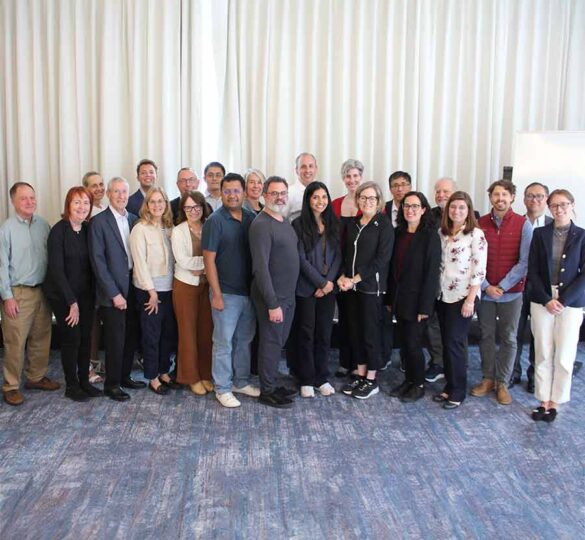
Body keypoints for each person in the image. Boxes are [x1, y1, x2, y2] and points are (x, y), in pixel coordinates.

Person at [471, 180, 533, 405]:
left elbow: (524, 262)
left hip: (512, 293)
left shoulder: (523, 224)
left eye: (504, 195)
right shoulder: (480, 224)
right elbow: (475, 258)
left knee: (509, 337)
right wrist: (487, 285)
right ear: (490, 198)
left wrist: (503, 286)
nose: (500, 199)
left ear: (512, 197)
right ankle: (487, 379)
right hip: (486, 292)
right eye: (496, 195)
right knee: (486, 336)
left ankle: (503, 383)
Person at [528, 189, 585, 422]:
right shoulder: (540, 234)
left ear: (572, 205)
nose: (558, 209)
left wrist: (562, 300)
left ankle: (556, 401)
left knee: (564, 354)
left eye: (563, 205)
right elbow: (532, 270)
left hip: (570, 302)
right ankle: (542, 399)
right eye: (554, 205)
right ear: (549, 208)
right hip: (543, 298)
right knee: (543, 350)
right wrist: (546, 299)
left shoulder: (582, 235)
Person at [203, 173, 259, 408]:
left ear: (244, 192)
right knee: (224, 342)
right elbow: (208, 260)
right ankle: (223, 388)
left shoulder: (251, 217)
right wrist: (215, 294)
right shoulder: (215, 221)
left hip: (249, 293)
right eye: (227, 191)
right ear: (222, 193)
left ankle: (241, 381)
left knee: (244, 340)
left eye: (237, 190)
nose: (232, 195)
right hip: (224, 293)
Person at [0, 182, 59, 406]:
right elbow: (1, 266)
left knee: (41, 337)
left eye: (32, 197)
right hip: (18, 293)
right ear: (13, 201)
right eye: (24, 198)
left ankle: (35, 377)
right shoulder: (6, 230)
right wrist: (7, 297)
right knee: (15, 341)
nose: (29, 202)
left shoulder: (43, 225)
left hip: (42, 291)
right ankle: (11, 386)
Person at [89, 177, 146, 401]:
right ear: (108, 195)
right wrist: (114, 293)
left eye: (124, 192)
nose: (121, 196)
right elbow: (98, 262)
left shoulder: (134, 219)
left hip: (133, 285)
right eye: (116, 192)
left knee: (130, 335)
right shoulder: (99, 222)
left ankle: (124, 377)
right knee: (115, 338)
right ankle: (111, 385)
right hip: (112, 290)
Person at [44, 187, 102, 401]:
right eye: (77, 202)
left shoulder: (88, 230)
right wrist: (71, 302)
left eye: (86, 202)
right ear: (68, 205)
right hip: (63, 296)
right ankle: (72, 385)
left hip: (85, 295)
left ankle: (84, 381)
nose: (82, 207)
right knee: (72, 339)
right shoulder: (58, 231)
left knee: (86, 338)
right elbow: (57, 270)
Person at [337, 181, 394, 400]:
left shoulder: (384, 225)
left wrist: (356, 279)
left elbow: (381, 261)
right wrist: (343, 276)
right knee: (355, 332)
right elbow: (344, 254)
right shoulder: (353, 224)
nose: (367, 202)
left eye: (372, 198)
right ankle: (360, 375)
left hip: (371, 289)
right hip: (351, 288)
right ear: (358, 200)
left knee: (370, 334)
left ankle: (371, 379)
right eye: (363, 198)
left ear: (378, 201)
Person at [249, 176, 300, 408]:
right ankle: (267, 391)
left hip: (287, 296)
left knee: (278, 342)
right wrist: (272, 304)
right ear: (264, 196)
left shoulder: (283, 220)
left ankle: (272, 383)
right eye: (274, 193)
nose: (279, 197)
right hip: (273, 298)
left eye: (282, 193)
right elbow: (260, 268)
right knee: (270, 343)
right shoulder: (261, 225)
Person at [434, 192, 487, 409]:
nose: (456, 211)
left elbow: (479, 270)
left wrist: (470, 300)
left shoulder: (476, 234)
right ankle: (449, 385)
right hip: (442, 295)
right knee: (446, 343)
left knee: (455, 343)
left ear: (469, 211)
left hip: (463, 297)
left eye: (461, 208)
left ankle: (458, 391)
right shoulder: (442, 232)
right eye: (453, 207)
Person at [387, 192, 440, 403]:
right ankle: (408, 380)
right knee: (404, 343)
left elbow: (431, 275)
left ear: (424, 210)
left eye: (415, 206)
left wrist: (425, 307)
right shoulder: (398, 233)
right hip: (400, 299)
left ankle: (418, 384)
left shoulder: (430, 237)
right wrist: (390, 300)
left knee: (414, 344)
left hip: (418, 302)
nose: (410, 210)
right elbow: (393, 270)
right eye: (407, 206)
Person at [292, 182, 341, 398]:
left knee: (324, 334)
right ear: (308, 200)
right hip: (306, 289)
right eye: (315, 197)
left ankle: (322, 377)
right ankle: (306, 379)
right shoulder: (298, 224)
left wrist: (328, 282)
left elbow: (340, 256)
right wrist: (320, 283)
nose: (320, 201)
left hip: (328, 290)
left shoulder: (334, 223)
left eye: (324, 197)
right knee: (306, 334)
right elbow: (300, 260)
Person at [129, 187, 179, 395]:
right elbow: (139, 263)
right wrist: (151, 292)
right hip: (150, 292)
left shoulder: (169, 227)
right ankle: (152, 376)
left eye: (161, 201)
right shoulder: (140, 229)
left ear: (166, 204)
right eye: (153, 202)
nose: (157, 205)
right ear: (146, 205)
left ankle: (164, 371)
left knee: (168, 334)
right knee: (152, 335)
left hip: (170, 289)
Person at [511, 182, 552, 392]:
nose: (534, 200)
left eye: (539, 196)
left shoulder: (554, 225)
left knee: (540, 334)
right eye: (529, 196)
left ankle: (535, 374)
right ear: (523, 199)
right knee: (515, 331)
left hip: (542, 289)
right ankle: (513, 372)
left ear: (546, 199)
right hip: (517, 287)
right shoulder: (516, 223)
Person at [172, 191, 213, 395]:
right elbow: (183, 261)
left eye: (196, 207)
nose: (192, 211)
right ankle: (191, 377)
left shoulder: (209, 227)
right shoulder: (178, 231)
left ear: (202, 207)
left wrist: (203, 268)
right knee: (188, 333)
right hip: (185, 287)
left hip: (207, 286)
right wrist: (207, 265)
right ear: (183, 210)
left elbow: (217, 254)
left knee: (206, 332)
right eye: (188, 208)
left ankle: (205, 374)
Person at [331, 159, 363, 378]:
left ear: (361, 177)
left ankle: (358, 363)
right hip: (340, 269)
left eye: (355, 176)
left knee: (359, 318)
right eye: (348, 176)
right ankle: (345, 361)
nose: (352, 180)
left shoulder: (371, 202)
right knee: (343, 316)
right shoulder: (335, 204)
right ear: (343, 179)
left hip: (361, 271)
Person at [424, 177, 457, 383]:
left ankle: (452, 364)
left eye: (445, 191)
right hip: (433, 281)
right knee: (432, 324)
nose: (441, 195)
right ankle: (437, 362)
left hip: (456, 285)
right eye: (438, 191)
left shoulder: (467, 216)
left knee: (452, 328)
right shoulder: (430, 216)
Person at [82, 171, 107, 384]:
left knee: (99, 323)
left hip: (104, 277)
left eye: (101, 184)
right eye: (93, 185)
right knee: (89, 323)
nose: (98, 189)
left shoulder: (105, 210)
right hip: (88, 277)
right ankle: (87, 367)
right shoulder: (82, 212)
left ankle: (95, 362)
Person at [287, 153, 318, 221]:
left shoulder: (322, 192)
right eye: (303, 167)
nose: (307, 170)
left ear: (316, 169)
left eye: (310, 166)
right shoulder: (288, 194)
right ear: (296, 170)